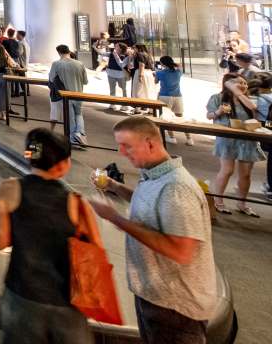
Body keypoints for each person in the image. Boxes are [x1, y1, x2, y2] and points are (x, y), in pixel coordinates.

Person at [89, 116, 217, 344]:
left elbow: (181, 251)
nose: (121, 152)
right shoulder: (154, 175)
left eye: (126, 145)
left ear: (150, 143)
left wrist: (116, 218)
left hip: (175, 306)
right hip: (155, 296)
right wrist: (113, 186)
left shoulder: (176, 188)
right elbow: (152, 205)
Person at [0, 128, 100, 344]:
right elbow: (95, 250)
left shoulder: (8, 189)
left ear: (30, 157)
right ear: (63, 165)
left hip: (22, 293)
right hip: (67, 301)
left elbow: (1, 241)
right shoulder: (77, 203)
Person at [206, 73, 264, 216]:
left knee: (245, 175)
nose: (244, 86)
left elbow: (253, 108)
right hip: (227, 139)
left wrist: (237, 92)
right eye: (240, 83)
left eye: (245, 83)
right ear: (228, 84)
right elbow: (209, 115)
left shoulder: (249, 99)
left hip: (247, 140)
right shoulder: (217, 98)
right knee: (227, 170)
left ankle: (242, 204)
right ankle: (218, 202)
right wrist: (218, 112)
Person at [49, 45, 88, 146]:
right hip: (79, 94)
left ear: (59, 52)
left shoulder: (56, 64)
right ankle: (80, 134)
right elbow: (85, 81)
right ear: (69, 51)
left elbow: (51, 79)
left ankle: (73, 138)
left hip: (65, 95)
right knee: (79, 114)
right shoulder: (80, 63)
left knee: (70, 117)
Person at [154, 56, 193, 145]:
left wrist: (156, 73)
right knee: (181, 118)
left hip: (164, 96)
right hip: (178, 96)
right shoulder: (178, 72)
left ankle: (172, 137)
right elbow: (180, 66)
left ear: (162, 64)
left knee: (166, 118)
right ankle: (189, 138)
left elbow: (155, 82)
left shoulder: (160, 73)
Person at [0, 42, 19, 121]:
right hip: (4, 77)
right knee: (4, 96)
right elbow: (13, 65)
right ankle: (3, 115)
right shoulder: (5, 57)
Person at [105, 42, 129, 111]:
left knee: (123, 89)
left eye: (117, 46)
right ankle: (112, 104)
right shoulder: (111, 54)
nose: (115, 47)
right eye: (115, 46)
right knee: (112, 90)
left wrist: (115, 54)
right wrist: (95, 47)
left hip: (121, 75)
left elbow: (121, 65)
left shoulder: (125, 56)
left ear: (121, 49)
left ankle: (124, 105)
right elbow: (102, 53)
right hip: (111, 74)